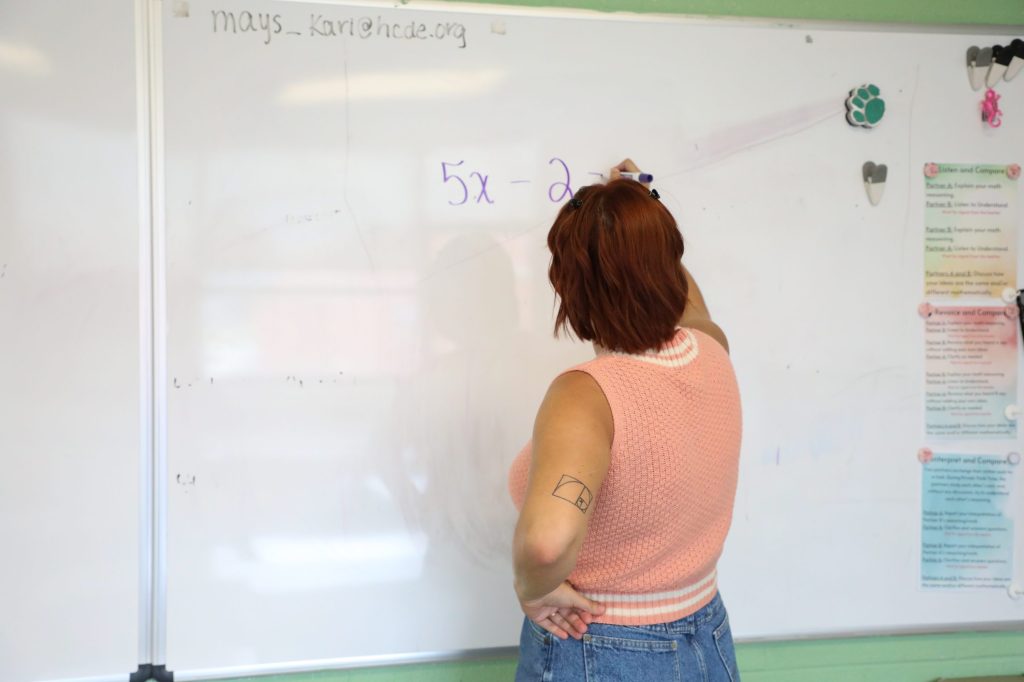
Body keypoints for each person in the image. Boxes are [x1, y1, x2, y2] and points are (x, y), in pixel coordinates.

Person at [508, 159, 743, 681]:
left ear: (571, 286)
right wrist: (641, 211)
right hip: (706, 635)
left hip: (602, 647)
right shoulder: (712, 352)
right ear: (667, 262)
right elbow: (689, 306)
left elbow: (546, 542)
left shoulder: (587, 395)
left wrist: (535, 588)